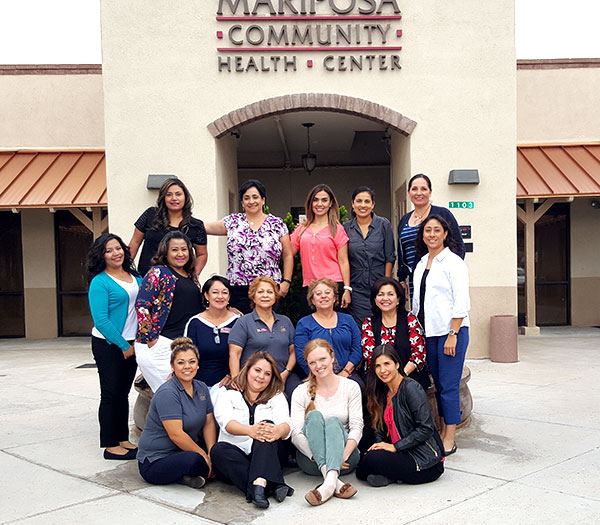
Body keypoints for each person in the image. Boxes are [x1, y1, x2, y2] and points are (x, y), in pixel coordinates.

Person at [413, 214, 470, 455]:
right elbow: (418, 303)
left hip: (451, 333)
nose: (432, 234)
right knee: (438, 386)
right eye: (428, 230)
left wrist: (453, 333)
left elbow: (461, 300)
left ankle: (450, 437)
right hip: (429, 334)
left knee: (448, 386)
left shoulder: (454, 262)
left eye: (437, 230)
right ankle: (442, 431)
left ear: (446, 234)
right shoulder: (421, 263)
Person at [211, 352, 294, 509]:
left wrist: (278, 430)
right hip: (236, 457)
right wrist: (250, 431)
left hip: (267, 453)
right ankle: (270, 484)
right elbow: (226, 423)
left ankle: (259, 488)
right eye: (257, 370)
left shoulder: (276, 396)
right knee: (218, 450)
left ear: (272, 378)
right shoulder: (227, 393)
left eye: (267, 374)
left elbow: (286, 424)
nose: (261, 377)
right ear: (247, 369)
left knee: (267, 426)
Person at [356, 345, 445, 486]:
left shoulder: (411, 388)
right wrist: (378, 446)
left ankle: (388, 474)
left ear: (397, 364)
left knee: (369, 462)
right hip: (401, 453)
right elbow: (379, 427)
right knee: (364, 455)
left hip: (424, 461)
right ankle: (390, 475)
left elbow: (426, 428)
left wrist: (395, 447)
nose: (382, 370)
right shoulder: (383, 391)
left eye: (387, 364)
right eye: (378, 366)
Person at [87, 233, 142, 460]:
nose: (115, 253)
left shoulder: (135, 277)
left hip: (132, 343)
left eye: (118, 248)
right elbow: (101, 320)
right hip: (108, 344)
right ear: (102, 255)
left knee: (123, 393)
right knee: (110, 394)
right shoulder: (100, 282)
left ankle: (122, 439)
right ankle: (110, 445)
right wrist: (122, 345)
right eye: (109, 250)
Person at [290, 339, 362, 506]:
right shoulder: (300, 392)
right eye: (312, 362)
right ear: (308, 364)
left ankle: (327, 485)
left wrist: (341, 456)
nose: (319, 366)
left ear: (332, 357)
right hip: (311, 461)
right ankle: (332, 483)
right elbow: (295, 434)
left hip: (345, 459)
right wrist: (324, 461)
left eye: (322, 359)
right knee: (314, 417)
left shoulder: (350, 387)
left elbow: (357, 427)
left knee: (333, 422)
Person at [204, 179, 293, 313]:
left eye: (255, 197)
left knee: (267, 324)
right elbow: (204, 227)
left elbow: (288, 255)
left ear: (263, 200)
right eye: (247, 198)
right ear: (242, 202)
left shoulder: (277, 224)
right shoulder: (233, 222)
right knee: (241, 324)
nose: (251, 201)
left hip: (268, 289)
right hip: (238, 289)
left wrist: (286, 281)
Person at [137, 338, 216, 488]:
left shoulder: (201, 387)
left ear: (198, 364)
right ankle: (194, 471)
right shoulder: (168, 392)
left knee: (222, 451)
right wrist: (204, 456)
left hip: (182, 451)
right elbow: (176, 435)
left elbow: (209, 422)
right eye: (181, 363)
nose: (187, 367)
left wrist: (212, 453)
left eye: (192, 362)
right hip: (156, 460)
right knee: (195, 460)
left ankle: (187, 475)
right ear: (172, 366)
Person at [135, 231, 203, 392]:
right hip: (160, 343)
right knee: (169, 394)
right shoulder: (159, 272)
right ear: (165, 252)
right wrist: (152, 340)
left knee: (178, 395)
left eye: (184, 249)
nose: (180, 254)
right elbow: (142, 306)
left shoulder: (190, 276)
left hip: (182, 346)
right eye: (174, 250)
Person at [228, 276, 300, 399]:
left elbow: (293, 351)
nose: (265, 295)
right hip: (255, 378)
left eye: (270, 292)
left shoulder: (285, 321)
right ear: (253, 296)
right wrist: (236, 379)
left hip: (283, 375)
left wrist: (286, 373)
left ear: (275, 296)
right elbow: (234, 354)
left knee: (299, 393)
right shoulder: (244, 322)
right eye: (260, 292)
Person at [397, 174, 464, 298]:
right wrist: (401, 279)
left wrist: (450, 272)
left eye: (423, 189)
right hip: (415, 278)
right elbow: (402, 252)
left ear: (430, 192)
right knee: (419, 308)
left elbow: (458, 246)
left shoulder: (442, 213)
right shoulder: (404, 219)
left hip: (439, 278)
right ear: (409, 193)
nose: (419, 193)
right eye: (414, 189)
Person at [290, 184, 351, 315]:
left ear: (330, 203)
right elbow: (288, 253)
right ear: (310, 203)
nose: (319, 204)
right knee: (309, 324)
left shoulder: (337, 229)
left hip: (333, 286)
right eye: (315, 200)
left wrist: (347, 289)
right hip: (310, 287)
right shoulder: (302, 229)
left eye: (324, 200)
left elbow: (344, 261)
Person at [360, 277, 430, 392]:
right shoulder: (368, 324)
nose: (385, 298)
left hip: (409, 378)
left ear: (398, 299)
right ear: (375, 300)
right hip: (380, 379)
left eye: (390, 294)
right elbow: (370, 357)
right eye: (381, 294)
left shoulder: (410, 319)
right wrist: (387, 378)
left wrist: (399, 378)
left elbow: (418, 355)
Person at [129, 178, 207, 278]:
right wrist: (125, 269)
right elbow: (135, 242)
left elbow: (202, 254)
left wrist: (194, 275)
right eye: (169, 195)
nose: (174, 198)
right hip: (146, 277)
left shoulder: (195, 225)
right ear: (163, 198)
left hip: (178, 280)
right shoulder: (150, 214)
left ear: (185, 197)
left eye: (178, 194)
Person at [294, 279, 362, 389]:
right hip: (315, 375)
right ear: (313, 300)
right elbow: (301, 355)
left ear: (334, 298)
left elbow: (357, 349)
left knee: (358, 387)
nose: (323, 296)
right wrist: (320, 374)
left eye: (327, 292)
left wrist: (345, 371)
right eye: (318, 294)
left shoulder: (348, 320)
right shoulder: (304, 323)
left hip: (347, 374)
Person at [343, 186, 396, 325]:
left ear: (373, 205)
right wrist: (347, 289)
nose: (363, 205)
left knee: (382, 324)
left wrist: (386, 284)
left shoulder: (383, 224)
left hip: (379, 286)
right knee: (362, 327)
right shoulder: (346, 228)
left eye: (367, 201)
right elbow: (343, 259)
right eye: (359, 201)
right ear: (353, 204)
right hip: (357, 289)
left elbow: (390, 256)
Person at [184, 275, 240, 402]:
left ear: (229, 297)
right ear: (206, 295)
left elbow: (245, 355)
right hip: (198, 385)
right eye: (215, 292)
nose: (220, 296)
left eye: (224, 292)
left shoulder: (239, 322)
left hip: (228, 386)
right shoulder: (194, 323)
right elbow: (186, 355)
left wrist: (232, 375)